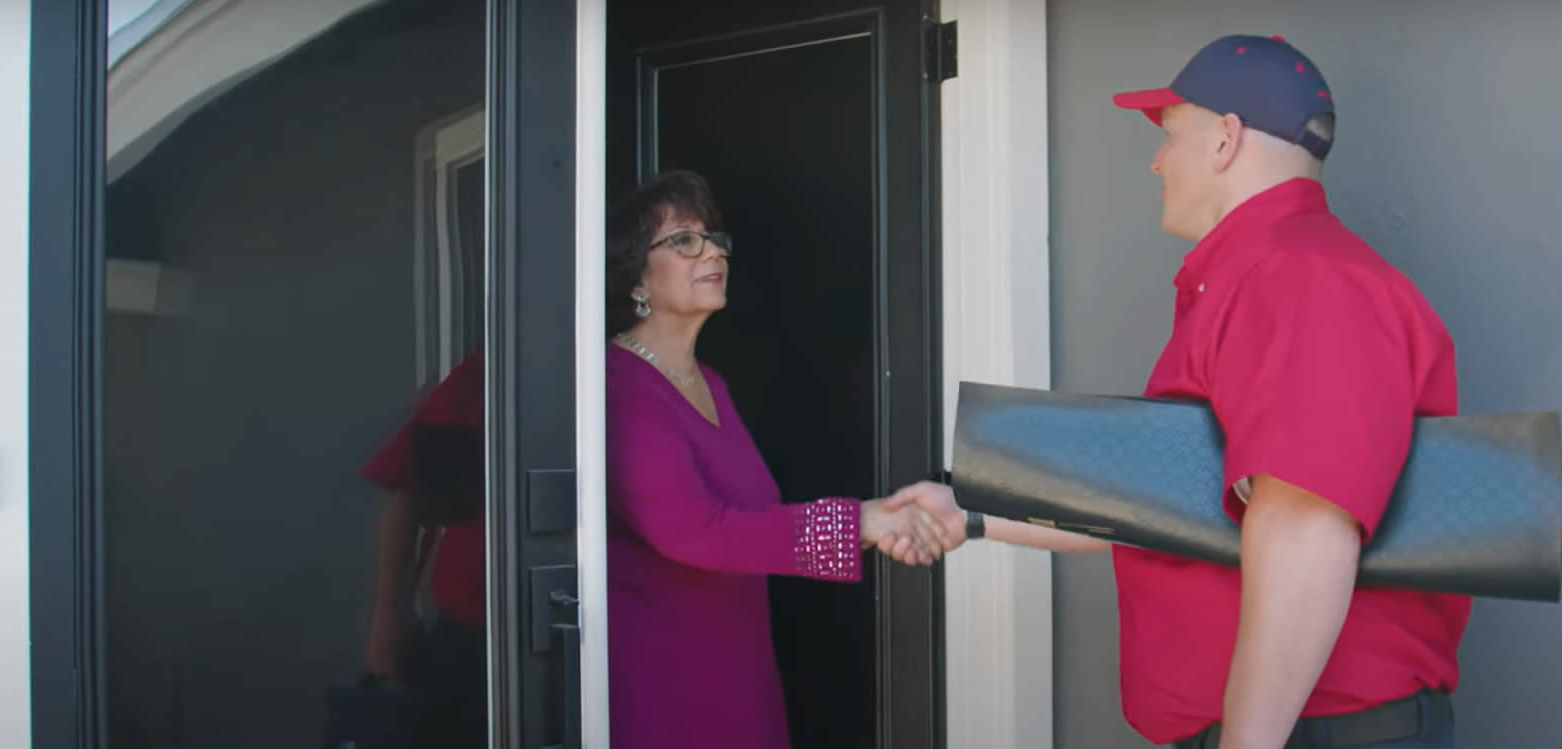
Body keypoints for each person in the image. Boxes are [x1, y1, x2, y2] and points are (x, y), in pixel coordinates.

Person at [892, 34, 1468, 749]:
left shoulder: (1302, 280)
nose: (1156, 161)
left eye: (1170, 136)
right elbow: (1175, 499)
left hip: (1318, 732)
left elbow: (1304, 526)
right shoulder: (1257, 277)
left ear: (1225, 139)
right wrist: (970, 513)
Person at [603, 169, 945, 749]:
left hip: (739, 668)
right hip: (665, 683)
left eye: (714, 238)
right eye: (684, 240)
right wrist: (860, 522)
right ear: (637, 272)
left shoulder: (710, 381)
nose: (712, 251)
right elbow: (696, 532)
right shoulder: (616, 386)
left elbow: (751, 517)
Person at [358, 349, 489, 747]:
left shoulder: (625, 377)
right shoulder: (486, 375)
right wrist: (388, 615)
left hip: (608, 631)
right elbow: (407, 498)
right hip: (471, 636)